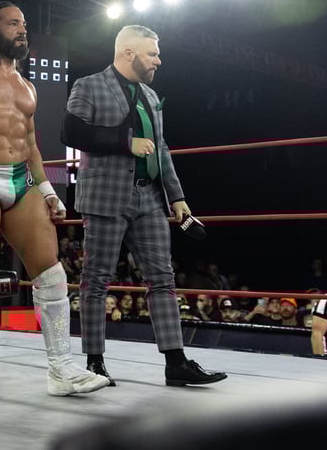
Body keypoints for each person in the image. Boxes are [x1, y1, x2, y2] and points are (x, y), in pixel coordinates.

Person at [0, 0, 109, 400]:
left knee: (52, 275)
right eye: (13, 23)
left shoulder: (27, 86)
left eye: (24, 24)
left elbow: (30, 144)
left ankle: (62, 370)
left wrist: (47, 190)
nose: (22, 29)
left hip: (21, 180)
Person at [61, 24, 227, 387]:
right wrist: (125, 142)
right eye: (152, 54)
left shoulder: (151, 96)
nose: (158, 60)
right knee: (96, 280)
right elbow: (71, 133)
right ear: (128, 53)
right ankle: (94, 362)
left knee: (163, 277)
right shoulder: (89, 86)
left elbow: (161, 147)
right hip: (105, 195)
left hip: (149, 197)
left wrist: (177, 197)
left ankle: (176, 362)